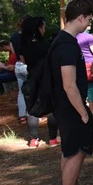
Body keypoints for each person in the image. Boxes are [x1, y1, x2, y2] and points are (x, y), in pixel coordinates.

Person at [52, 0, 93, 185]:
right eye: (89, 20)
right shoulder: (67, 45)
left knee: (70, 150)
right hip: (70, 107)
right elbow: (69, 84)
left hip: (65, 106)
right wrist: (84, 112)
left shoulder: (63, 40)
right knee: (76, 152)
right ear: (81, 18)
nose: (89, 24)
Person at [21, 17, 57, 148]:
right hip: (47, 79)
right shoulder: (46, 46)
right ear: (39, 28)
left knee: (31, 108)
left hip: (31, 79)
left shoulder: (23, 47)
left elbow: (24, 62)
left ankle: (33, 140)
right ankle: (52, 139)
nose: (45, 30)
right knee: (52, 107)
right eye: (43, 27)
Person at [76, 24, 93, 106]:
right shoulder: (88, 37)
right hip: (89, 66)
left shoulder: (72, 36)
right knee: (91, 89)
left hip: (78, 66)